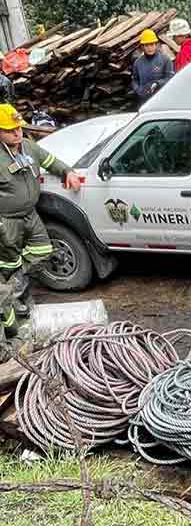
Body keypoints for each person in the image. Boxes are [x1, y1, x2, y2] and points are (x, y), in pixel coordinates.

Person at [0, 104, 80, 354]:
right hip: (7, 220)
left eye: (19, 128)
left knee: (43, 249)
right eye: (10, 130)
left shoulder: (27, 146)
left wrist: (67, 171)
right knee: (8, 264)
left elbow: (49, 160)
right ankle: (11, 302)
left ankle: (13, 288)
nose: (17, 133)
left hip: (30, 215)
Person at [131, 28, 174, 103]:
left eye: (152, 44)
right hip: (144, 100)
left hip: (161, 99)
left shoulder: (165, 60)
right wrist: (137, 89)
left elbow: (170, 78)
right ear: (142, 47)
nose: (149, 48)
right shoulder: (138, 62)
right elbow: (134, 79)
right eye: (146, 45)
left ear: (156, 45)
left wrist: (158, 83)